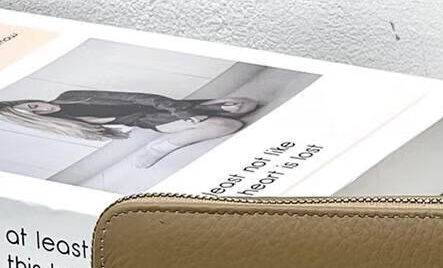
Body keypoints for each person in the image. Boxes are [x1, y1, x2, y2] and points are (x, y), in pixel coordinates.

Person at [0, 90, 258, 168]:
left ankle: (202, 114)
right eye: (36, 113)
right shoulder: (68, 125)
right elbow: (134, 117)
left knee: (246, 104)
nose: (43, 109)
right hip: (152, 120)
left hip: (167, 107)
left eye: (34, 104)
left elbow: (140, 98)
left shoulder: (71, 96)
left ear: (30, 99)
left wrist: (184, 111)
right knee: (230, 124)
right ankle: (161, 147)